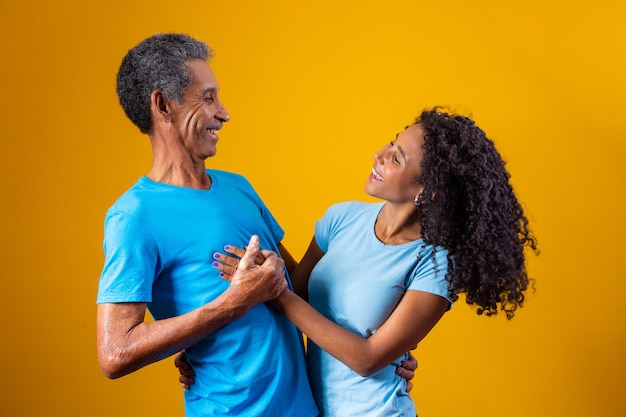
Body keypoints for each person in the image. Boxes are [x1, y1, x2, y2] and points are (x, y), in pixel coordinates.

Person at [97, 32, 416, 417]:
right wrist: (230, 305)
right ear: (163, 105)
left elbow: (298, 290)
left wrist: (384, 350)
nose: (224, 113)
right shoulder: (134, 216)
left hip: (306, 408)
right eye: (208, 97)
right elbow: (116, 352)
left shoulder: (238, 187)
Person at [193, 108, 538, 416]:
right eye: (390, 144)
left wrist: (276, 292)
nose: (379, 155)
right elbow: (291, 297)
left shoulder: (435, 265)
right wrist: (206, 352)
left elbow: (367, 358)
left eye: (397, 158)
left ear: (429, 191)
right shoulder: (340, 219)